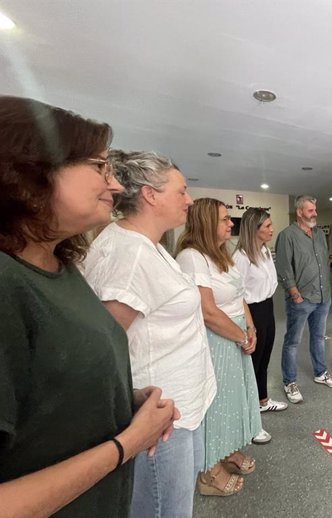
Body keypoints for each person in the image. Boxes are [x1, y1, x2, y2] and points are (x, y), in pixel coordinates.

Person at [0, 96, 176, 518]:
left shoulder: (61, 266)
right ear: (31, 172)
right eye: (99, 167)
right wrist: (128, 443)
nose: (115, 185)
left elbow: (46, 389)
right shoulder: (7, 284)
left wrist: (121, 398)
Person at [83, 152, 217, 517]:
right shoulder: (128, 255)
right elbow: (98, 354)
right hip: (159, 420)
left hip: (181, 409)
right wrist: (134, 413)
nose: (189, 200)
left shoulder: (149, 246)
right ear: (150, 194)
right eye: (182, 191)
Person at [176, 198, 267, 495]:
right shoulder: (192, 257)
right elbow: (208, 310)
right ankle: (208, 472)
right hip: (216, 339)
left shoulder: (221, 254)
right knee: (215, 403)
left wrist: (250, 328)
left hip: (236, 333)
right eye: (225, 219)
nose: (231, 223)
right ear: (205, 223)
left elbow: (239, 296)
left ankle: (225, 450)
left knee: (233, 398)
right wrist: (241, 336)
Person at [275, 195, 332, 403]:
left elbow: (323, 262)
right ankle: (290, 381)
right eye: (311, 210)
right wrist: (294, 293)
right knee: (293, 342)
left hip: (323, 296)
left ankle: (320, 372)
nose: (315, 213)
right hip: (302, 298)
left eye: (315, 209)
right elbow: (284, 267)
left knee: (319, 337)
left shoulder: (320, 234)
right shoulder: (287, 235)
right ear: (300, 212)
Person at [233, 208, 288, 413]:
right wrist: (249, 325)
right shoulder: (241, 257)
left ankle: (262, 401)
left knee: (264, 358)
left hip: (267, 307)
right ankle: (248, 410)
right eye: (267, 226)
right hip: (252, 311)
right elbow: (236, 294)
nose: (272, 229)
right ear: (253, 229)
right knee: (252, 363)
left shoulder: (264, 251)